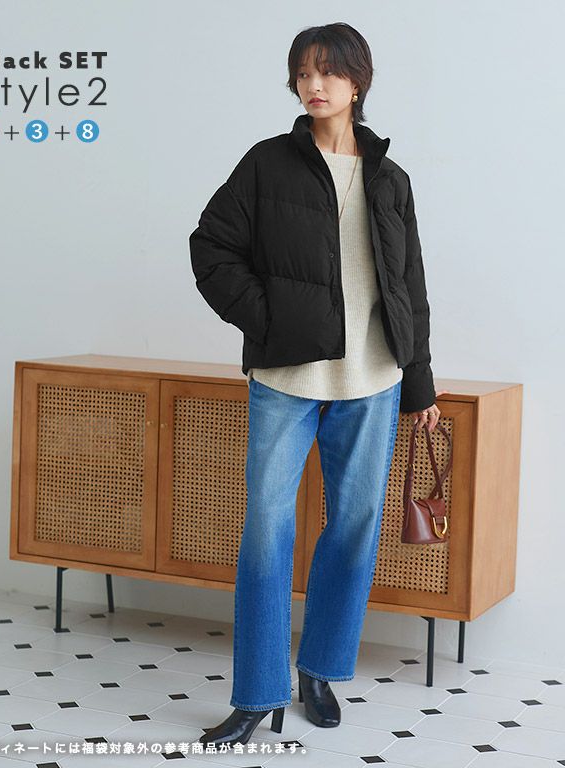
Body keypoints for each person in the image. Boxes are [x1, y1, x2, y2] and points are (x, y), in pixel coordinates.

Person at [189, 22, 442, 748]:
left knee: (354, 528)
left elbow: (410, 285)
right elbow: (211, 247)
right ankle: (255, 694)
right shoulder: (267, 163)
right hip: (286, 378)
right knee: (267, 532)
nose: (314, 84)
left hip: (373, 380)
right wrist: (268, 322)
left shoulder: (391, 179)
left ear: (357, 81)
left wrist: (419, 382)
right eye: (303, 72)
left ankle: (319, 672)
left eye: (328, 71)